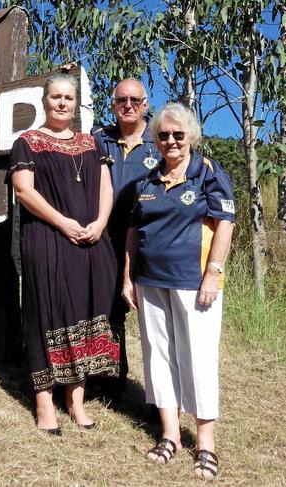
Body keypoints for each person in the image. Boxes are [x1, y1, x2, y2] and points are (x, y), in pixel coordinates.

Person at [121, 103, 235, 480]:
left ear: (191, 137)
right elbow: (133, 233)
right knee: (158, 356)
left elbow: (224, 225)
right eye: (164, 135)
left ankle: (205, 443)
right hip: (150, 282)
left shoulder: (209, 173)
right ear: (155, 140)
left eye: (178, 135)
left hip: (193, 282)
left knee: (198, 358)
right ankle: (170, 434)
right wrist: (128, 278)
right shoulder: (146, 181)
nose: (171, 141)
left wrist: (213, 274)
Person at [9, 72, 120, 435]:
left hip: (90, 241)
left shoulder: (91, 143)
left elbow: (106, 187)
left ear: (76, 103)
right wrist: (63, 223)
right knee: (46, 314)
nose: (62, 103)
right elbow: (24, 190)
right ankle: (44, 403)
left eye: (68, 98)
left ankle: (76, 401)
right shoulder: (27, 141)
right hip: (47, 239)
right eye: (55, 97)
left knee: (85, 311)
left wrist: (101, 222)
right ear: (44, 101)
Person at [92, 79, 162, 394]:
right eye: (122, 100)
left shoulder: (161, 140)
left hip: (148, 242)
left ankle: (158, 397)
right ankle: (111, 380)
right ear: (113, 105)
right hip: (105, 238)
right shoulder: (98, 139)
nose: (128, 105)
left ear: (146, 104)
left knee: (153, 318)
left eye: (135, 100)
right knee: (107, 309)